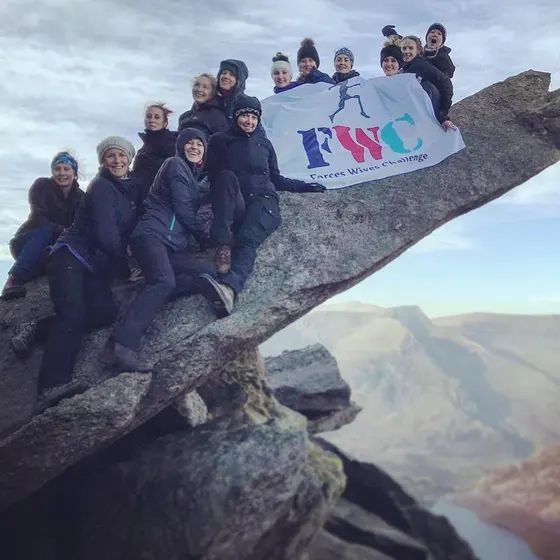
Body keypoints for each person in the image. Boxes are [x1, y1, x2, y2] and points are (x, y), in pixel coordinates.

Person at [36, 136, 141, 409]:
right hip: (70, 255)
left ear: (129, 159)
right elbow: (107, 234)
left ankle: (40, 327)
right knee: (72, 317)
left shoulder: (130, 188)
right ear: (103, 162)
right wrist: (125, 268)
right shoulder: (102, 187)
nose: (116, 161)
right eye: (110, 156)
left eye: (121, 155)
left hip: (92, 265)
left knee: (105, 312)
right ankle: (50, 388)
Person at [201, 95, 326, 317]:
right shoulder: (220, 140)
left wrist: (306, 186)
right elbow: (211, 175)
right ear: (235, 117)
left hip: (264, 201)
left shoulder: (264, 144)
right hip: (236, 201)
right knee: (225, 176)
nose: (249, 121)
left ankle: (229, 289)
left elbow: (277, 179)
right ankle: (222, 246)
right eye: (244, 116)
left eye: (253, 117)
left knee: (247, 240)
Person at [109, 128, 211, 372]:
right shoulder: (175, 164)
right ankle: (123, 345)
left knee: (205, 271)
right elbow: (183, 209)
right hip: (151, 236)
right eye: (190, 143)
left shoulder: (194, 179)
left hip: (170, 246)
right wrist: (206, 238)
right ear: (181, 146)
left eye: (200, 144)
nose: (194, 147)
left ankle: (138, 290)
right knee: (163, 281)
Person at [1, 152, 84, 300]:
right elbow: (38, 217)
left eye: (66, 169)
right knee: (46, 229)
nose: (62, 173)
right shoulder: (42, 186)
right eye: (57, 169)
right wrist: (64, 231)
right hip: (27, 242)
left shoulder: (81, 197)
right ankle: (14, 279)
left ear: (74, 173)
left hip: (55, 245)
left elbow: (81, 224)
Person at [401, 36, 456, 130]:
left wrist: (443, 114)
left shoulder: (421, 65)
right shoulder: (405, 68)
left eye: (411, 48)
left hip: (431, 117)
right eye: (404, 48)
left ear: (418, 51)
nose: (406, 51)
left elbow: (446, 83)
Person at [132, 103, 177, 203]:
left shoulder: (171, 143)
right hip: (140, 198)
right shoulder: (145, 146)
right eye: (148, 116)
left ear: (165, 123)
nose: (152, 120)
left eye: (157, 117)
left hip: (158, 201)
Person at [382, 23, 455, 78]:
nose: (435, 34)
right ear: (427, 37)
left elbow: (447, 76)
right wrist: (391, 34)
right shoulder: (420, 52)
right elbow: (406, 43)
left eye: (439, 34)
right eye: (432, 32)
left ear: (442, 42)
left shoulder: (444, 58)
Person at [214, 59, 249, 125]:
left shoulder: (247, 105)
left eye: (232, 75)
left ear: (239, 81)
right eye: (224, 73)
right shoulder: (209, 101)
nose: (226, 77)